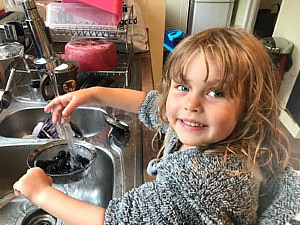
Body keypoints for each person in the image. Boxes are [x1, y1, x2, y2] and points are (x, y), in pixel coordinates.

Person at [13, 27, 297, 224]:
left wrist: (40, 193)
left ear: (248, 107)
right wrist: (93, 94)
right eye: (183, 86)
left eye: (216, 93)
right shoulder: (209, 129)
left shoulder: (200, 181)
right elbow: (149, 104)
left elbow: (110, 221)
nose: (191, 104)